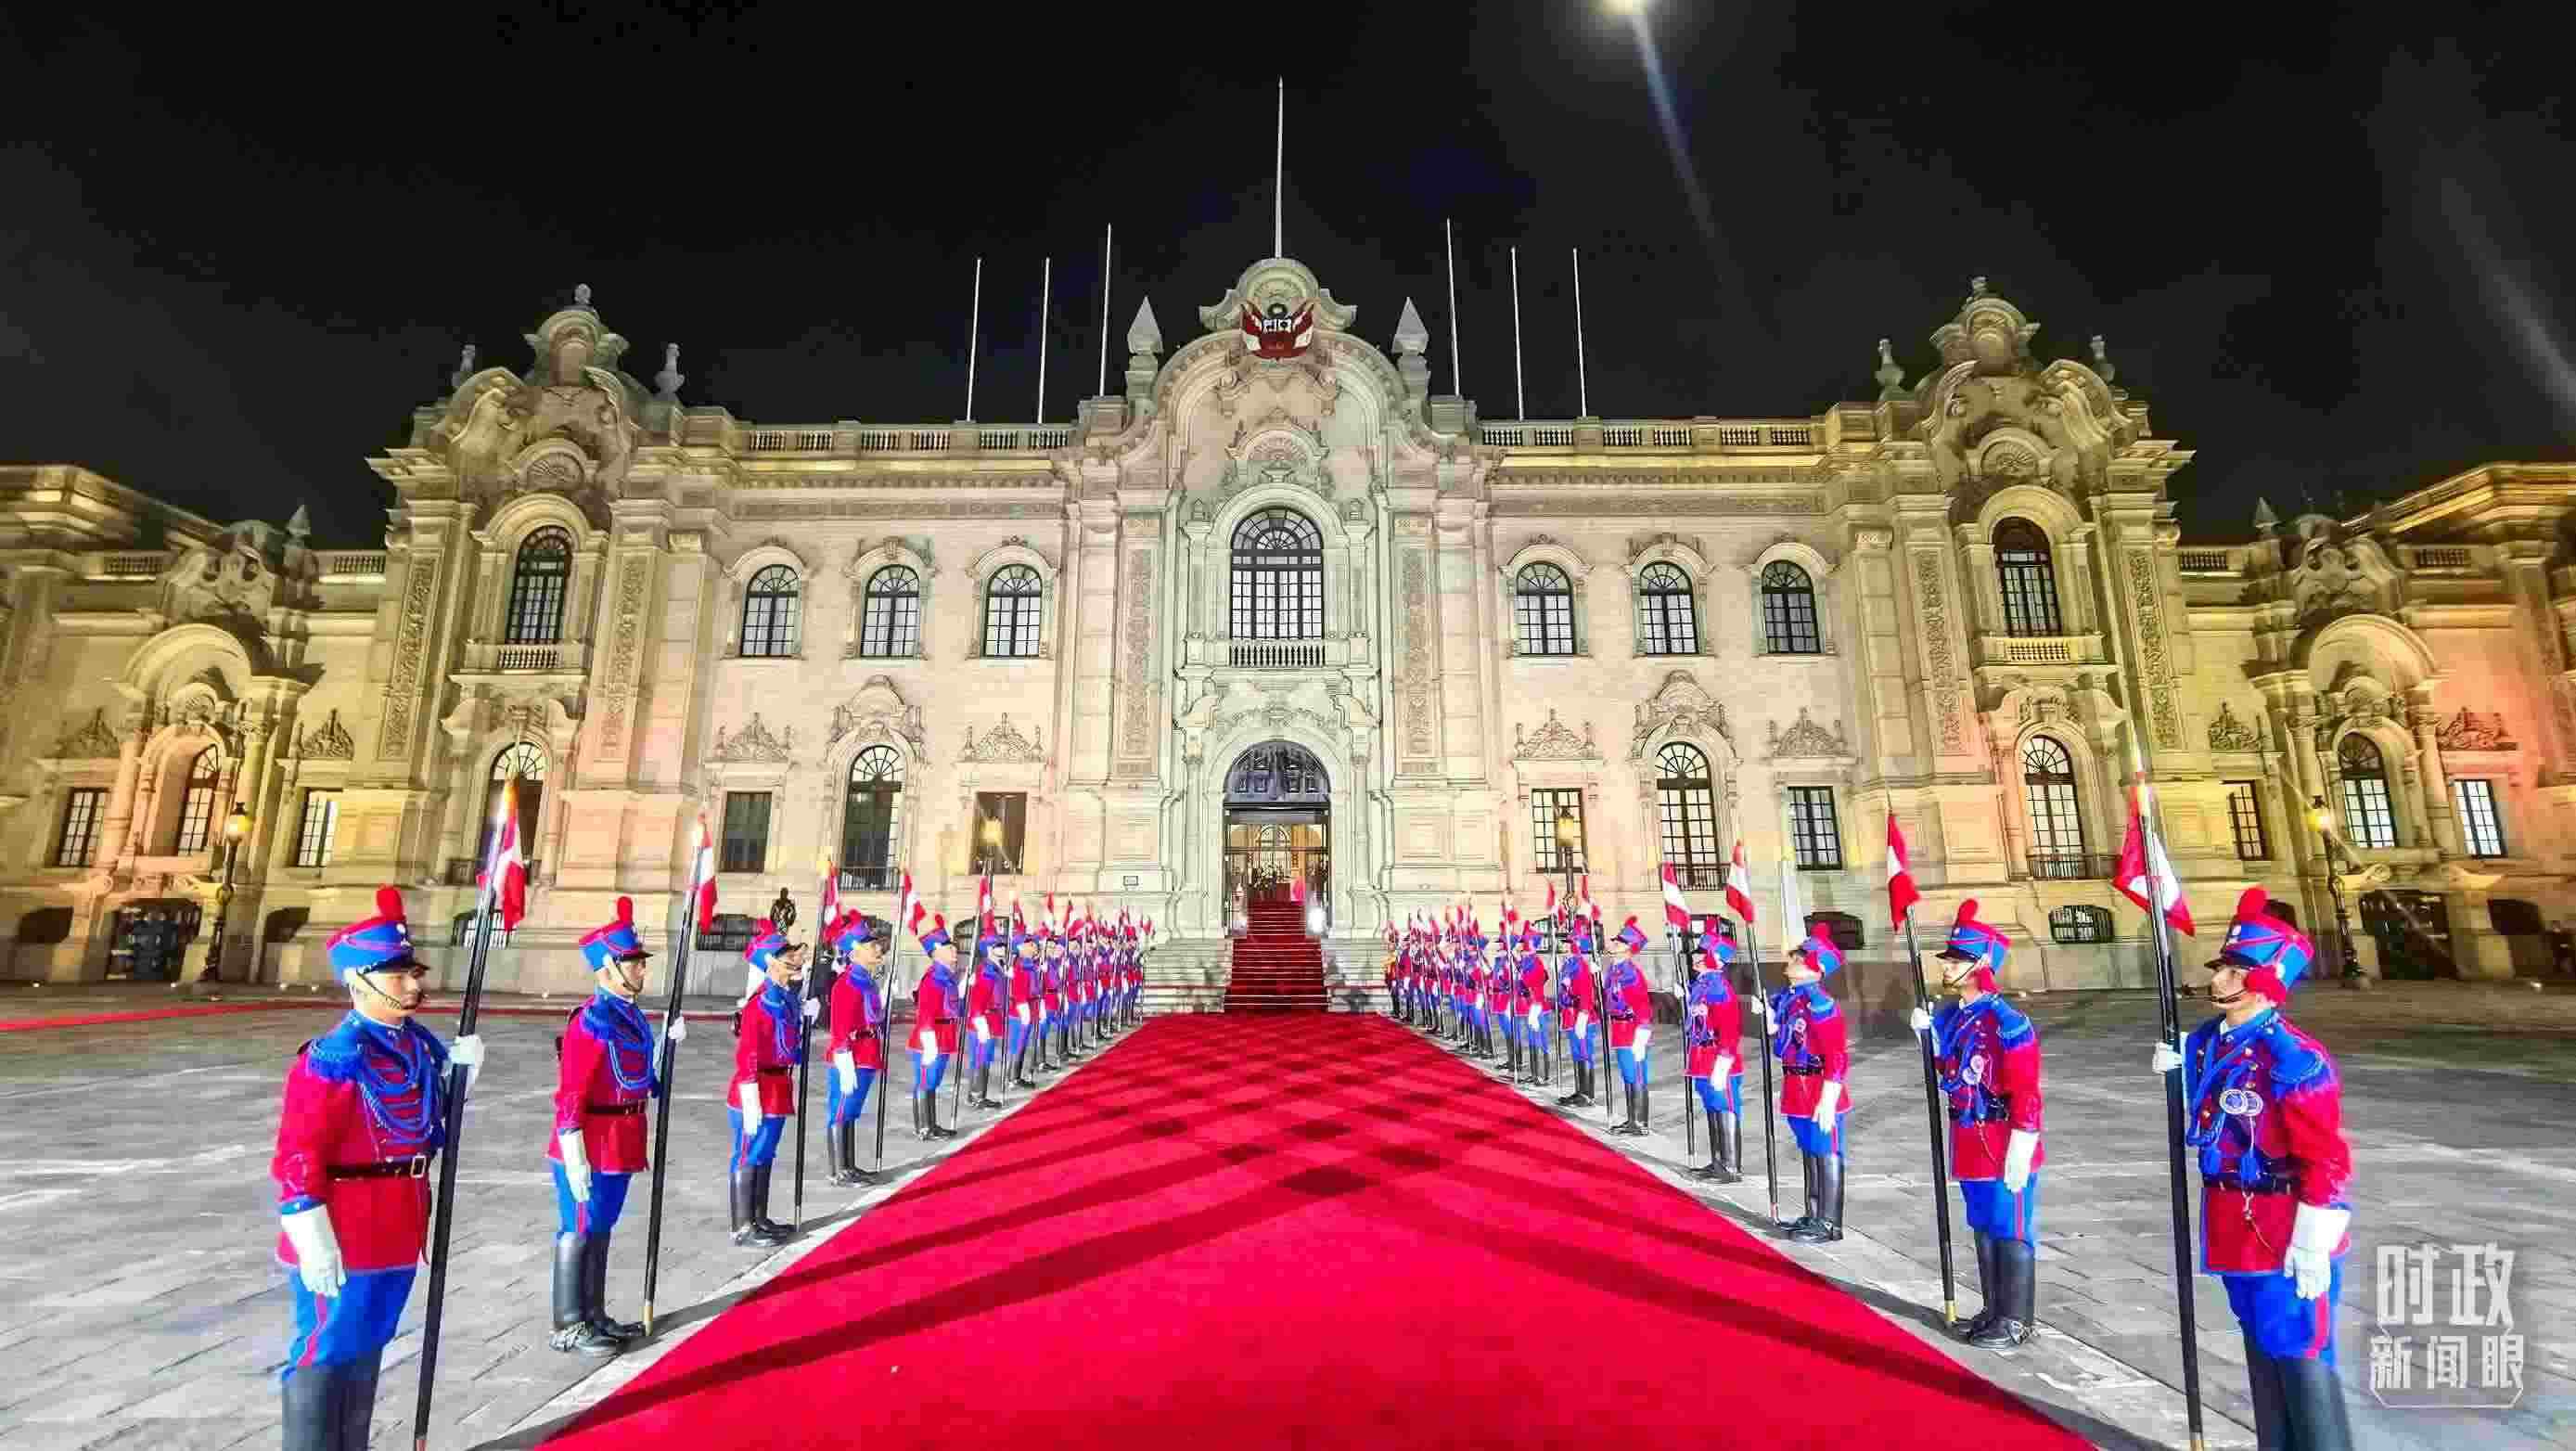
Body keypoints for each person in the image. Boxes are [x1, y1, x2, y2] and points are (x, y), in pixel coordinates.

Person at [270, 886, 487, 1450]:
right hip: (344, 1227)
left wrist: (462, 1079)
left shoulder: (418, 1049)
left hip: (399, 1221)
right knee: (326, 1348)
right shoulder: (334, 1058)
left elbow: (428, 1125)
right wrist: (310, 1234)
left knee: (369, 1345)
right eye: (397, 975)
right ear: (357, 980)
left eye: (413, 972)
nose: (413, 985)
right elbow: (298, 1155)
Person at [2153, 888, 2355, 1449]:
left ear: (2267, 980)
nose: (2218, 979)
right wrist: (2180, 1073)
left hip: (2282, 1225)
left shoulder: (2294, 1059)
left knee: (2300, 1352)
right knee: (2260, 1346)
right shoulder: (2206, 1043)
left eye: (2235, 971)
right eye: (2221, 967)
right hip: (2231, 1218)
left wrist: (2313, 1239)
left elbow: (2325, 1159)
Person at [548, 896, 681, 1356]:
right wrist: (573, 1152)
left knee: (601, 1227)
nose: (643, 969)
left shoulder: (630, 1015)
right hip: (591, 1141)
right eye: (633, 962)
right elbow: (571, 1093)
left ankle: (594, 1314)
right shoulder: (592, 1021)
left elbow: (640, 1078)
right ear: (608, 967)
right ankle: (569, 1323)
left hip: (622, 1138)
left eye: (641, 961)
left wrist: (665, 1050)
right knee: (579, 1227)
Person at [1910, 900, 2044, 1348]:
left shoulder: (2007, 1023)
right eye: (1947, 959)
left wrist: (2023, 1143)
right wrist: (1929, 1039)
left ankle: (2016, 1320)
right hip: (1968, 1136)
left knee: (2010, 1227)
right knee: (1983, 1225)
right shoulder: (1955, 1017)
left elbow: (2026, 1090)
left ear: (1982, 965)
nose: (1947, 966)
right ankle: (1993, 1309)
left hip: (2003, 1139)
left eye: (1957, 960)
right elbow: (1950, 1072)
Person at [726, 925, 812, 1247]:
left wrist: (806, 1019)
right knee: (748, 1154)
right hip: (756, 1089)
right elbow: (747, 1053)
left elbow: (789, 1045)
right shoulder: (759, 1004)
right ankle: (742, 1226)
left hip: (778, 1087)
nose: (795, 958)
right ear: (770, 962)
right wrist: (750, 1096)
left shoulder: (787, 999)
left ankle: (759, 1218)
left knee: (764, 1153)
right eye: (787, 954)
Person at [1772, 927, 1852, 1242]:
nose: (1791, 961)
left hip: (1818, 1087)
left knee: (1826, 1150)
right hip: (1797, 1085)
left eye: (1798, 959)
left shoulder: (1820, 1003)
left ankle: (1830, 1223)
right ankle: (1814, 1212)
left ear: (1815, 969)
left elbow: (1837, 1054)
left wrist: (1829, 1096)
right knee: (1809, 1149)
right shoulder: (1793, 1001)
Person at [826, 910, 892, 1186]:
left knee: (852, 1110)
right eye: (871, 945)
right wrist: (843, 1057)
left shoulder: (867, 980)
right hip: (851, 1056)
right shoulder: (846, 983)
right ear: (854, 952)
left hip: (867, 1052)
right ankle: (839, 1171)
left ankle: (850, 1166)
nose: (878, 949)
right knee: (841, 1110)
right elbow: (839, 1026)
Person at [1685, 929, 1745, 1183]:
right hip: (1702, 1055)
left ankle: (1730, 1165)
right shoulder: (1703, 984)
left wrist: (1723, 1061)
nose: (1695, 956)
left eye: (1702, 953)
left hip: (1717, 1057)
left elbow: (1729, 1028)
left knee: (1724, 1105)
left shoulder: (1718, 986)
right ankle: (1718, 1161)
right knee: (1712, 1106)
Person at [911, 915, 962, 1140]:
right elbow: (926, 1014)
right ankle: (924, 1127)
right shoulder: (933, 979)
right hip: (930, 1039)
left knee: (933, 1082)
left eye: (953, 947)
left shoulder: (947, 978)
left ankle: (931, 1124)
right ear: (935, 952)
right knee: (925, 1082)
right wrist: (929, 1041)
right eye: (949, 948)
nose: (954, 951)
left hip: (944, 1036)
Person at [1604, 918, 1656, 1136]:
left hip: (1632, 1029)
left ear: (1629, 948)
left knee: (1636, 1074)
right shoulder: (1616, 969)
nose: (1614, 944)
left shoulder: (1630, 972)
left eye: (1619, 942)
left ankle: (1640, 1123)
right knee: (1628, 1074)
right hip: (1620, 1029)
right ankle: (1632, 1119)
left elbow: (1642, 1003)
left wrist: (1643, 1030)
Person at [1554, 922, 1600, 1109]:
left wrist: (1583, 1014)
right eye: (1565, 943)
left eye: (1568, 943)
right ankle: (1580, 1091)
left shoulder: (1580, 965)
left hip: (1581, 1017)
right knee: (1577, 1054)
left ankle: (1587, 1095)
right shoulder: (1569, 964)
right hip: (1570, 1015)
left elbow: (1587, 992)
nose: (1564, 946)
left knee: (1584, 1053)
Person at [967, 925, 1009, 1111]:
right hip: (984, 1020)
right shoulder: (987, 970)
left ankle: (977, 1095)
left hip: (992, 1019)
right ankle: (977, 1096)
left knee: (985, 1057)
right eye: (999, 945)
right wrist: (980, 1021)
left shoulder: (996, 968)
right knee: (981, 1058)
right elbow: (978, 999)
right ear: (989, 949)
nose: (1003, 948)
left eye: (1003, 945)